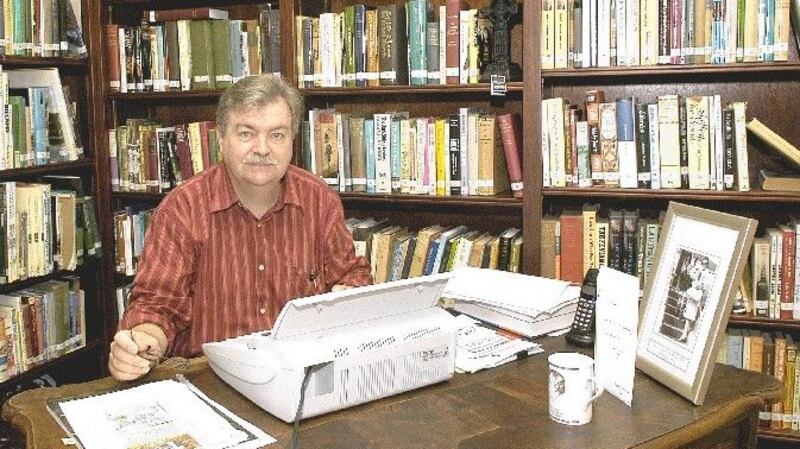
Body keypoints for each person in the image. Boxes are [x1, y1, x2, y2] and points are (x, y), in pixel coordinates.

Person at [109, 75, 373, 381]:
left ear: (292, 141)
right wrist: (143, 342)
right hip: (210, 380)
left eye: (277, 135)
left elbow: (351, 275)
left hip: (295, 375)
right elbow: (158, 304)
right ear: (220, 139)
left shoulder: (319, 199)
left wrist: (348, 296)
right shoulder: (182, 209)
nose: (262, 149)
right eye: (246, 133)